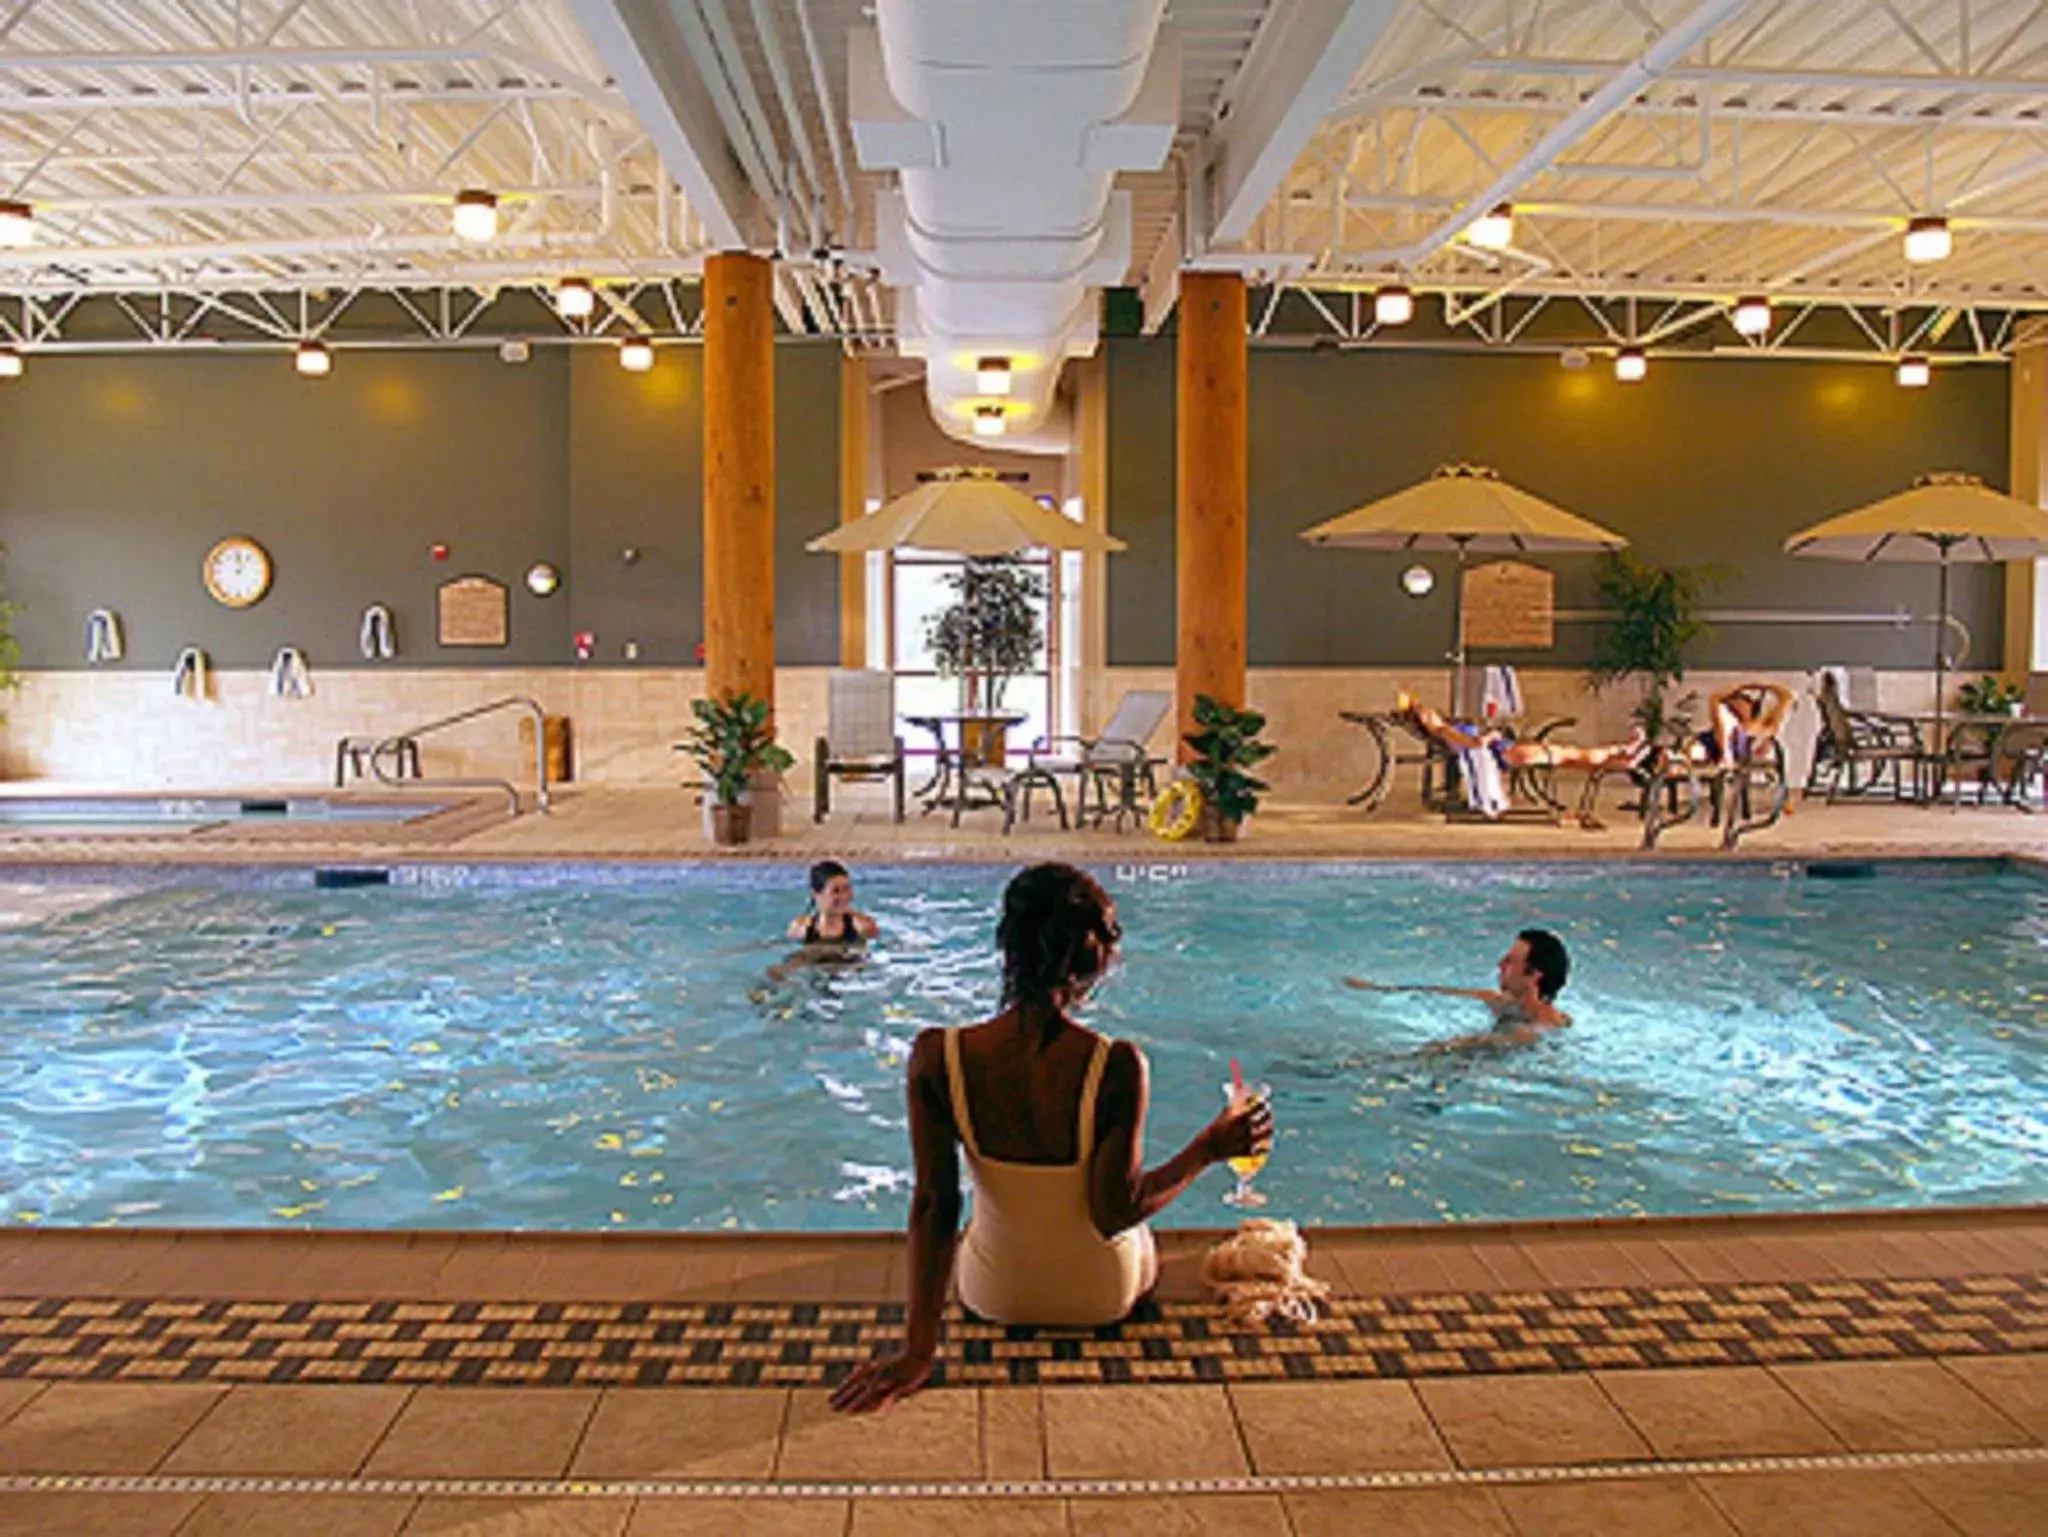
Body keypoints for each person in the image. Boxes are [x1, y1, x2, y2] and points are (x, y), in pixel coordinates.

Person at [830, 862, 1272, 1415]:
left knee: (977, 1223)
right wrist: (1209, 1147)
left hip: (994, 1294)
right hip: (1101, 1296)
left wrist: (917, 1352)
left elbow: (933, 1206)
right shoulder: (1115, 1065)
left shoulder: (937, 1058)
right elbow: (1117, 1210)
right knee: (1138, 1237)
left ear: (1005, 946)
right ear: (1093, 957)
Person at [1345, 928, 1573, 1050]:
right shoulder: (1503, 1001)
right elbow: (1437, 991)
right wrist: (1381, 988)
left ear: (1533, 976)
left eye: (1510, 962)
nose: (1499, 965)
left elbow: (1516, 1039)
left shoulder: (1546, 1022)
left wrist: (1451, 1046)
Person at [786, 860, 879, 949]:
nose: (844, 896)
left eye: (847, 888)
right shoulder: (800, 928)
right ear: (816, 895)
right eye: (836, 891)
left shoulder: (863, 926)